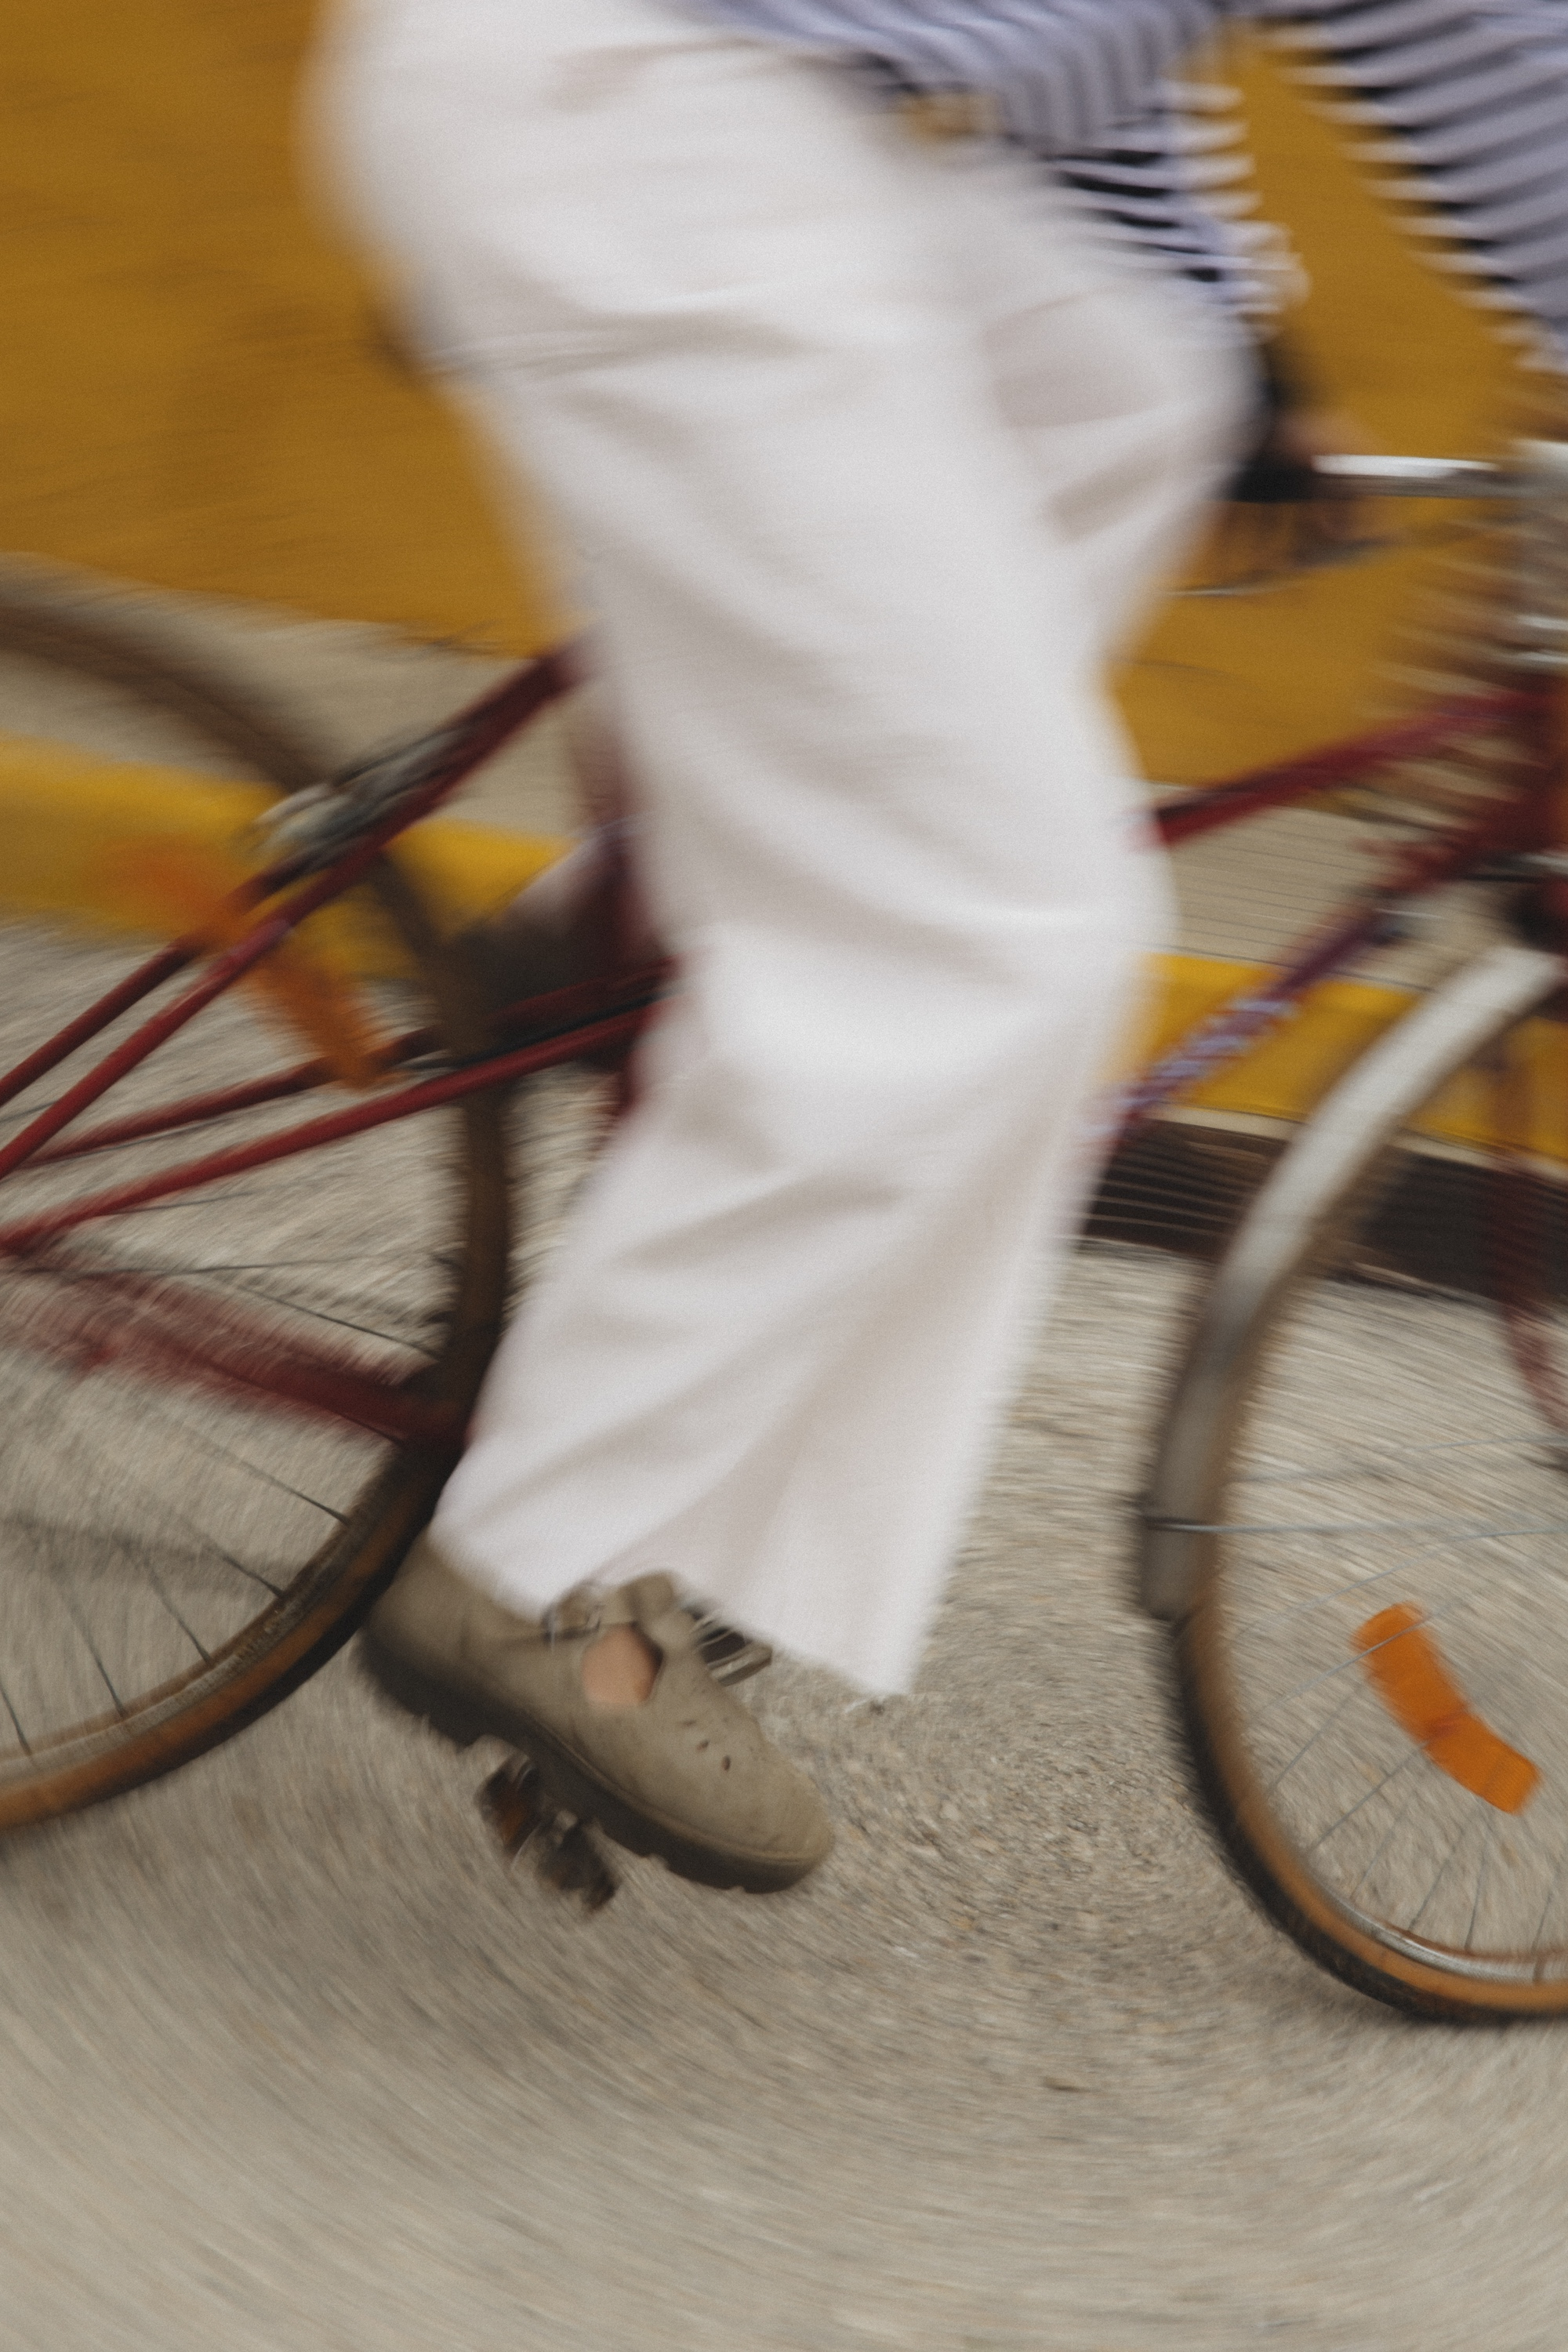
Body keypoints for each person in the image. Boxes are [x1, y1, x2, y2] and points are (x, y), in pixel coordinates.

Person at [312, 0, 1568, 1896]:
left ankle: (674, 885)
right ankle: (535, 1570)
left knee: (1128, 371)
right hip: (645, 116)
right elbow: (1481, 43)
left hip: (732, 102)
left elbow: (1119, 57)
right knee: (1014, 946)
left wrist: (1220, 321)